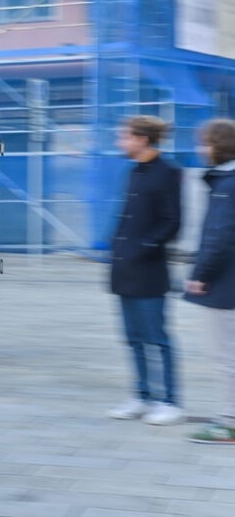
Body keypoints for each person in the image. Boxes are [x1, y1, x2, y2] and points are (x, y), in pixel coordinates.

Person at [108, 115, 183, 425]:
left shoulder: (168, 172)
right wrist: (118, 248)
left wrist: (142, 249)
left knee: (157, 338)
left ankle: (170, 402)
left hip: (149, 272)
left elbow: (172, 222)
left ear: (142, 139)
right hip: (124, 270)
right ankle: (142, 397)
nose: (119, 142)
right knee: (133, 338)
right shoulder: (133, 172)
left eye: (124, 137)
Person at [184, 119, 235, 443]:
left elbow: (220, 235)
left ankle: (229, 421)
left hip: (225, 283)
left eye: (204, 143)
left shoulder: (227, 183)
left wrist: (201, 275)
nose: (201, 149)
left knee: (224, 355)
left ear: (219, 145)